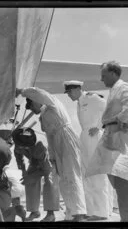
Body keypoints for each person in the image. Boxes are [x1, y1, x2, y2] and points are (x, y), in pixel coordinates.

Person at [85, 61, 128, 222]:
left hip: (120, 135)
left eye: (103, 76)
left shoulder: (122, 87)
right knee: (117, 181)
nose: (101, 79)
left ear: (113, 73)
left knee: (123, 180)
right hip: (112, 135)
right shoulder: (114, 90)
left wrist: (121, 118)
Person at [15, 87, 87, 221]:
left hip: (66, 137)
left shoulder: (52, 103)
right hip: (56, 141)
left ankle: (79, 214)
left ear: (36, 102)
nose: (33, 111)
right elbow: (49, 136)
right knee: (63, 179)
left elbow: (39, 93)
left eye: (32, 107)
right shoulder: (43, 115)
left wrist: (22, 91)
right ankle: (71, 212)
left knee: (71, 175)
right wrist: (53, 157)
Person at [63, 80, 111, 220]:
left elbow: (110, 108)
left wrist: (100, 125)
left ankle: (101, 212)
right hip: (85, 136)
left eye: (70, 92)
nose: (69, 95)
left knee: (96, 174)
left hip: (94, 136)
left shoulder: (92, 98)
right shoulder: (80, 102)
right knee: (87, 175)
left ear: (78, 89)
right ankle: (91, 211)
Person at [12, 127, 60, 222]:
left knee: (50, 181)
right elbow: (19, 158)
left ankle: (51, 214)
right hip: (34, 161)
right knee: (29, 180)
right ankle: (34, 212)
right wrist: (24, 173)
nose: (21, 148)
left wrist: (31, 177)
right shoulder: (18, 141)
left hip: (50, 162)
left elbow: (47, 170)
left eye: (24, 147)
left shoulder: (40, 147)